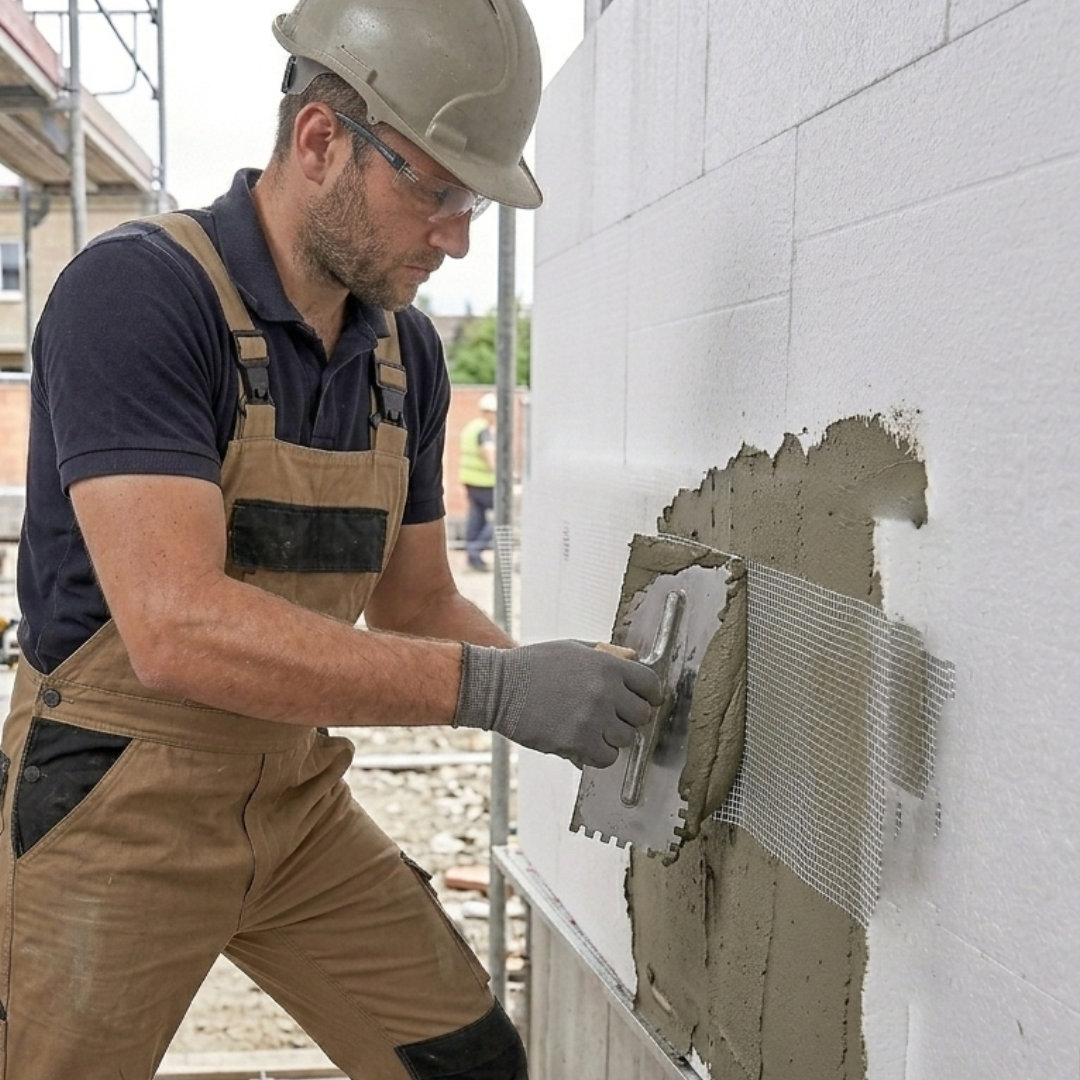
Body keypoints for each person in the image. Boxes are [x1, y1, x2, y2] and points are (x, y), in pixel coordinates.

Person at [0, 2, 663, 1078]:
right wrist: (493, 695)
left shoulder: (405, 359)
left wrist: (578, 689)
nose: (455, 234)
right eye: (438, 191)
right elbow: (174, 628)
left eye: (474, 206)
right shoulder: (140, 297)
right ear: (319, 141)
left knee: (471, 1065)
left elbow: (415, 605)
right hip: (116, 801)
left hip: (292, 796)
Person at [460, 391, 498, 571]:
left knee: (476, 518)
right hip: (485, 482)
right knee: (502, 518)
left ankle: (473, 559)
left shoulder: (471, 427)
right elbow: (488, 453)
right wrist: (502, 475)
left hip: (470, 480)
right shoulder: (484, 430)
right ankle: (476, 551)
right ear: (488, 412)